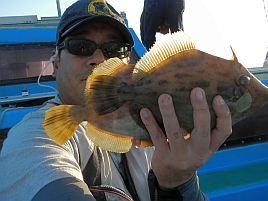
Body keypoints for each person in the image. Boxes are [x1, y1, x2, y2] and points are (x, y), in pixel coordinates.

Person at [0, 0, 232, 200]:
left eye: (114, 49)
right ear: (57, 63)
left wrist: (177, 183)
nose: (99, 58)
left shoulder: (154, 131)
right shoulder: (35, 134)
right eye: (81, 46)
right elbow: (37, 163)